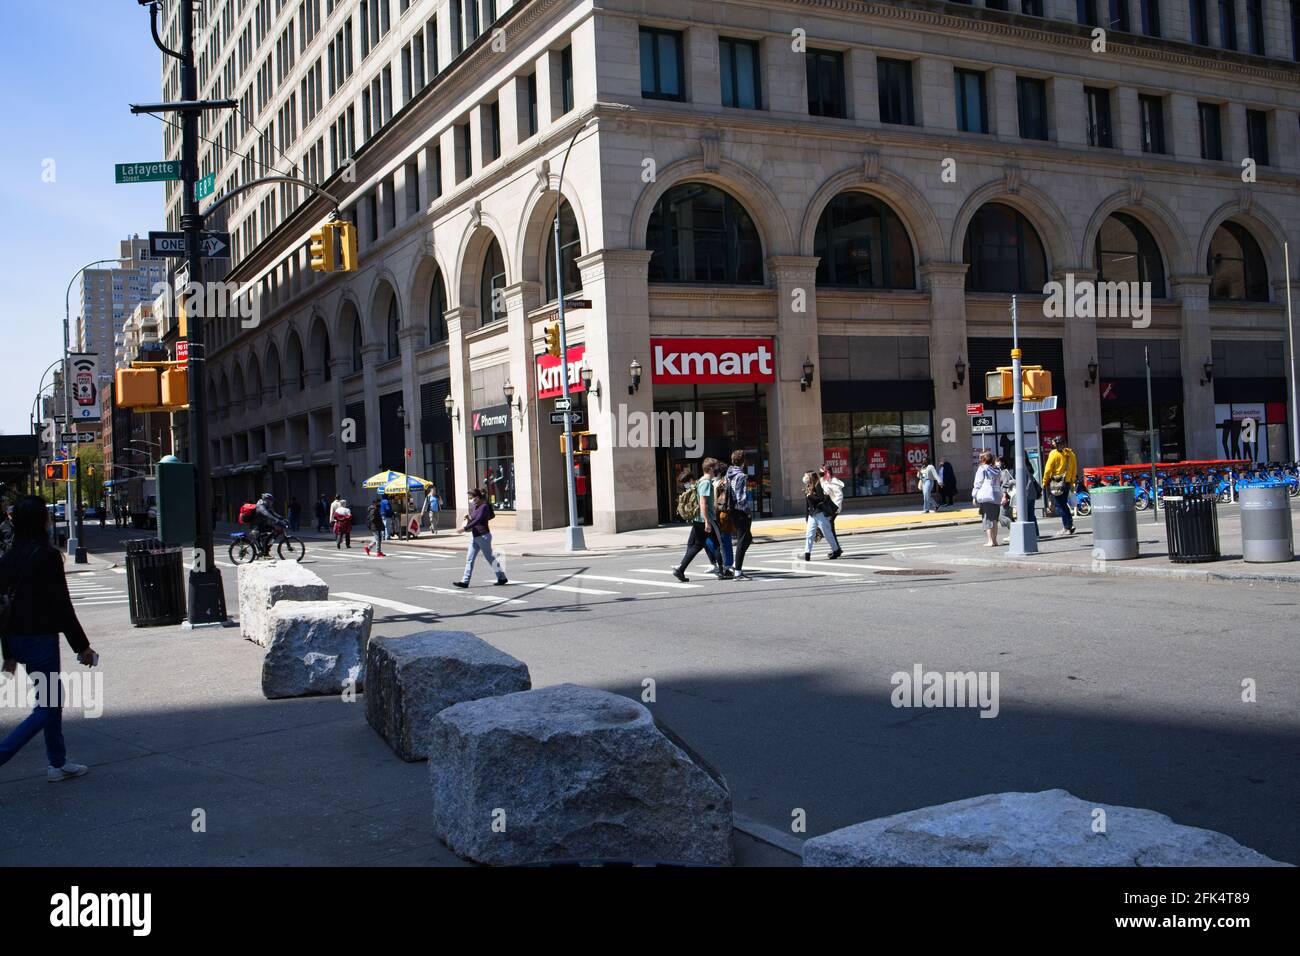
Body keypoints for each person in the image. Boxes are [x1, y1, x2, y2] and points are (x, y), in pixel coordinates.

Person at [0, 495, 97, 781]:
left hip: (16, 640)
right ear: (41, 520)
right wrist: (83, 646)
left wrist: (8, 653)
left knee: (50, 699)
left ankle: (58, 762)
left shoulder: (6, 559)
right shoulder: (47, 556)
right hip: (40, 640)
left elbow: (2, 608)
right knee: (49, 705)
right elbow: (62, 606)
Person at [671, 459, 729, 582]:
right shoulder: (706, 483)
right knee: (719, 544)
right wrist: (707, 521)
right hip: (707, 519)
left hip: (699, 519)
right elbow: (703, 502)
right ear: (711, 469)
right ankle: (722, 571)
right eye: (715, 468)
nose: (717, 470)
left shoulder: (701, 481)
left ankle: (680, 569)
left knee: (697, 545)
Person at [453, 488, 508, 587]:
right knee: (469, 559)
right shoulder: (476, 506)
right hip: (475, 536)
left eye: (471, 498)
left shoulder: (484, 506)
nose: (470, 500)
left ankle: (502, 577)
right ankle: (465, 581)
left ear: (477, 497)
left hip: (483, 536)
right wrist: (468, 519)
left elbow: (478, 520)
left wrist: (464, 528)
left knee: (490, 558)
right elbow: (474, 519)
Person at [723, 451, 754, 580]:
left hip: (731, 510)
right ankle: (738, 572)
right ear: (744, 462)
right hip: (740, 511)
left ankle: (736, 564)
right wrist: (748, 512)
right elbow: (741, 498)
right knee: (742, 540)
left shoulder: (728, 473)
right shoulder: (740, 476)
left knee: (747, 538)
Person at [1041, 436, 1079, 535]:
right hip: (1066, 483)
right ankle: (1069, 525)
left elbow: (1048, 469)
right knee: (1063, 504)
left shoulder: (1053, 454)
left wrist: (1044, 481)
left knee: (1060, 505)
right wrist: (1072, 482)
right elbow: (1074, 469)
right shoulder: (1071, 454)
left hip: (1056, 483)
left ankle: (1067, 527)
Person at [803, 471, 842, 560]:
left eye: (805, 476)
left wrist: (810, 496)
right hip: (812, 515)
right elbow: (807, 504)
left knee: (827, 533)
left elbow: (821, 498)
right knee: (809, 534)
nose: (804, 478)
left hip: (820, 513)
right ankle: (807, 554)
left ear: (810, 477)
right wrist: (806, 517)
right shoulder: (807, 487)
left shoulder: (817, 486)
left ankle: (836, 550)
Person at [972, 450, 1003, 547]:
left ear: (983, 459)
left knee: (987, 519)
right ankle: (995, 540)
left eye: (980, 458)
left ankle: (990, 541)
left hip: (986, 497)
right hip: (996, 496)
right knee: (994, 520)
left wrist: (974, 496)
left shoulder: (982, 469)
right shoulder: (996, 470)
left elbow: (978, 483)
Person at [819, 464, 845, 540]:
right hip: (826, 507)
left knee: (829, 526)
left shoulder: (834, 481)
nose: (820, 474)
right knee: (829, 526)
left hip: (833, 508)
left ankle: (836, 548)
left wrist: (835, 508)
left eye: (822, 472)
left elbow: (839, 496)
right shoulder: (823, 480)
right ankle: (836, 548)